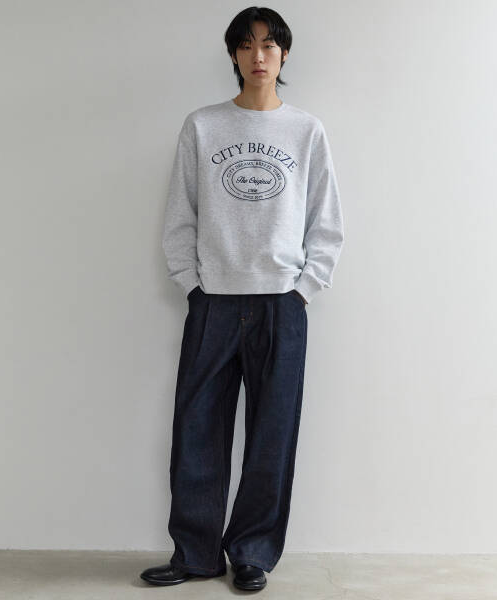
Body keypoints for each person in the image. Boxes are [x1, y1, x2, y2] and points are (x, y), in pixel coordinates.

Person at [140, 6, 344, 592]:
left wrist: (303, 290)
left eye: (269, 45)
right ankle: (196, 554)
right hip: (215, 303)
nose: (259, 56)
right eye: (248, 45)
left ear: (284, 55)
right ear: (233, 54)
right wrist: (193, 284)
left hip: (282, 302)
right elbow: (180, 215)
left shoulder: (306, 131)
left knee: (271, 436)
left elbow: (326, 223)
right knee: (197, 430)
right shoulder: (203, 126)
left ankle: (252, 553)